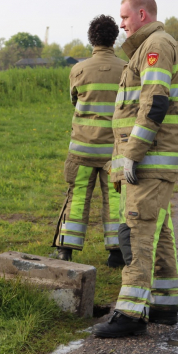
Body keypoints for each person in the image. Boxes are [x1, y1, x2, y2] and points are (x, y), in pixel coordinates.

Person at [93, 0, 178, 338]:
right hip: (154, 159)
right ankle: (164, 305)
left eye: (126, 18)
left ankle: (130, 315)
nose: (121, 25)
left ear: (143, 15)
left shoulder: (156, 47)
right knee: (158, 231)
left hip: (149, 160)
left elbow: (154, 102)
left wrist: (133, 152)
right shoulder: (150, 48)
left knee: (137, 232)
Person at [52, 15, 126, 268]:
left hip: (82, 148)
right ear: (114, 38)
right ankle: (116, 253)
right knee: (115, 199)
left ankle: (66, 251)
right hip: (113, 151)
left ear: (91, 39)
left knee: (78, 197)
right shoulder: (126, 69)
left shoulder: (78, 70)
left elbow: (74, 102)